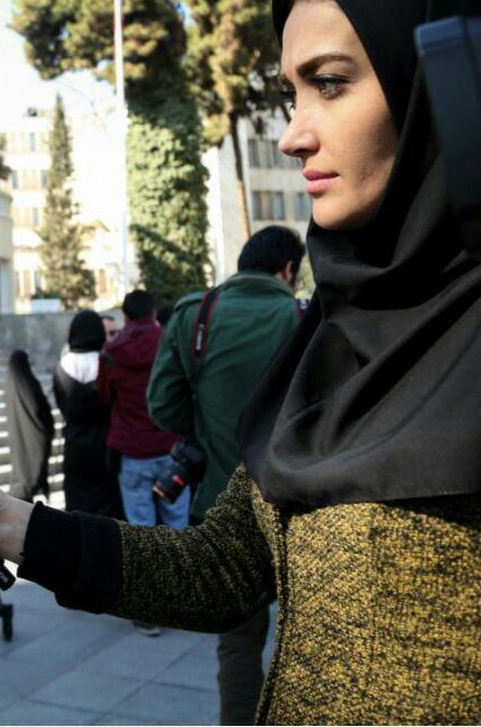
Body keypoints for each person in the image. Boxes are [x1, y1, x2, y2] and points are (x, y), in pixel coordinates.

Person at [0, 0, 481, 723]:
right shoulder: (333, 331)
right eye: (292, 94)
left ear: (464, 85)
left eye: (331, 84)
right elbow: (225, 569)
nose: (294, 133)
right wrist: (19, 527)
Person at [147, 226, 306, 725]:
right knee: (315, 645)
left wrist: (208, 427)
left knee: (238, 648)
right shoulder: (303, 315)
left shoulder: (196, 314)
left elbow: (162, 405)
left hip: (221, 510)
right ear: (287, 270)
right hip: (302, 511)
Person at [97, 289, 182, 637]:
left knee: (140, 531)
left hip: (132, 451)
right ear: (151, 313)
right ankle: (182, 600)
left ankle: (148, 610)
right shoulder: (170, 340)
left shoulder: (113, 352)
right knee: (176, 527)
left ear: (127, 317)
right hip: (170, 448)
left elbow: (104, 394)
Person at [53, 310, 123, 519]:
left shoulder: (62, 367)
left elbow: (61, 404)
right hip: (106, 445)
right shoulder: (108, 364)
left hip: (74, 445)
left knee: (77, 510)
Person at [5, 349, 54, 502]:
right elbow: (39, 408)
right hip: (32, 435)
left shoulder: (12, 385)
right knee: (29, 472)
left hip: (20, 436)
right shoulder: (29, 383)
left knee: (23, 471)